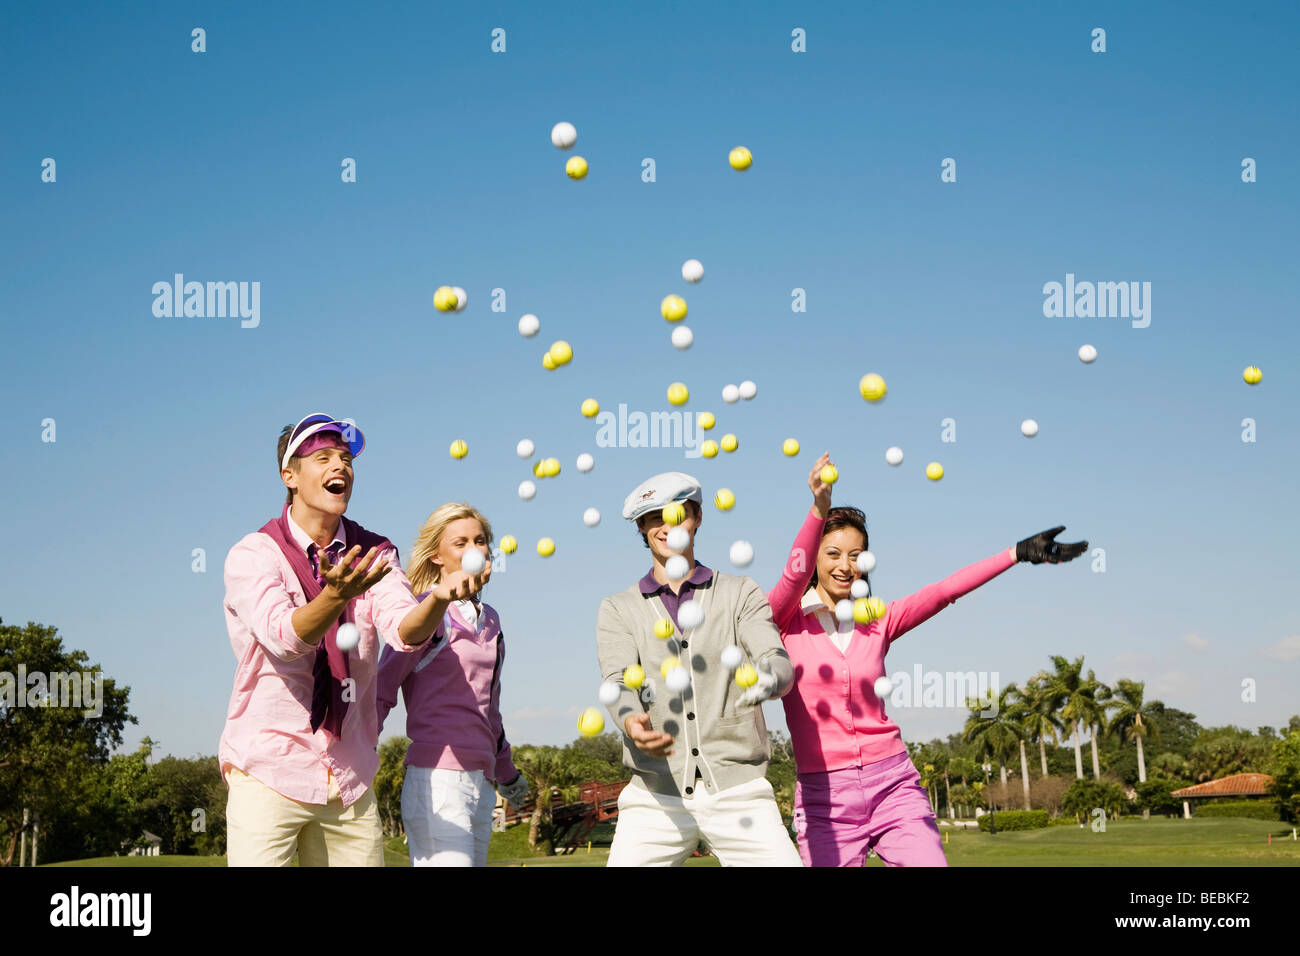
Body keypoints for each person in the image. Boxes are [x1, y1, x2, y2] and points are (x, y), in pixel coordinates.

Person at [768, 452, 1088, 867]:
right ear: (815, 557)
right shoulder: (783, 620)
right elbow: (792, 577)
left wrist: (1016, 553)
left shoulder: (878, 621)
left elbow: (943, 591)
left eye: (856, 555)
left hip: (892, 784)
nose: (846, 566)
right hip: (823, 798)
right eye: (833, 554)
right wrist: (817, 509)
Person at [219, 413, 486, 866]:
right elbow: (285, 638)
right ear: (290, 476)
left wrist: (438, 597)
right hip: (268, 769)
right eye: (322, 457)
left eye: (345, 459)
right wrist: (335, 596)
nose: (339, 466)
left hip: (348, 776)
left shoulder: (376, 552)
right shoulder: (253, 554)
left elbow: (405, 631)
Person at [596, 471, 802, 866]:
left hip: (739, 791)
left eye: (677, 513)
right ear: (641, 526)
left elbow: (775, 657)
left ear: (698, 516)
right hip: (654, 797)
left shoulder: (741, 592)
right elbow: (618, 681)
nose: (667, 525)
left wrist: (772, 678)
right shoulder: (618, 608)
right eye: (655, 517)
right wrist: (631, 722)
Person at [376, 503, 529, 867]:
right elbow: (381, 689)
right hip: (437, 781)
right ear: (437, 557)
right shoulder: (423, 612)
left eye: (480, 541)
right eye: (460, 543)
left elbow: (488, 709)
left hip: (482, 782)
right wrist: (359, 755)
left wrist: (507, 773)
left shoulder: (491, 621)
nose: (473, 549)